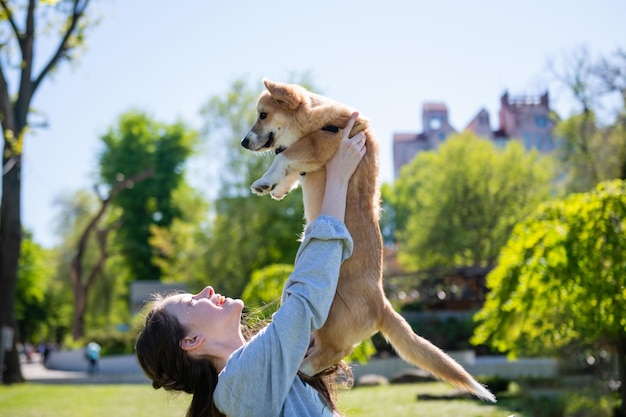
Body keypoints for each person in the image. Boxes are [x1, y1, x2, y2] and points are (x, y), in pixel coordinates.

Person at [135, 112, 367, 417]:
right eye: (191, 303)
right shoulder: (238, 384)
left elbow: (298, 304)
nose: (205, 290)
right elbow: (304, 300)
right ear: (192, 341)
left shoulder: (251, 375)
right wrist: (337, 178)